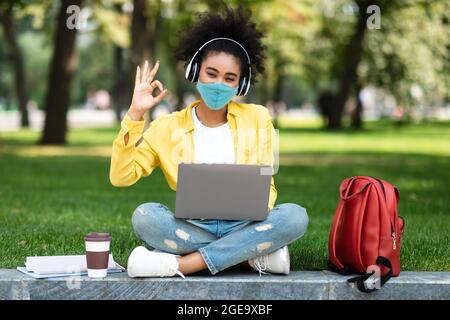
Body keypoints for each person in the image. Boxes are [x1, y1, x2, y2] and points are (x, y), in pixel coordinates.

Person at [109, 7, 308, 279]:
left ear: (242, 84)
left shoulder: (258, 119)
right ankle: (250, 257)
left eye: (229, 78)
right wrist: (134, 115)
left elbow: (267, 188)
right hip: (193, 227)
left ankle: (183, 264)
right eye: (211, 73)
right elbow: (121, 177)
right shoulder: (166, 127)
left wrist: (250, 209)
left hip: (244, 225)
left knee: (295, 216)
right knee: (145, 216)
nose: (218, 84)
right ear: (195, 72)